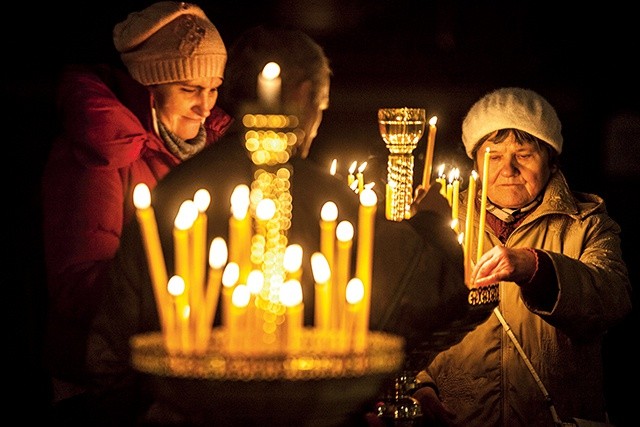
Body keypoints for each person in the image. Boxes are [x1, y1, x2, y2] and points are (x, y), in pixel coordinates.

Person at [85, 25, 482, 426]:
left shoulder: (173, 193)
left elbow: (109, 356)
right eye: (322, 106)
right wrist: (433, 221)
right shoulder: (325, 200)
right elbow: (434, 291)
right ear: (304, 95)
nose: (317, 124)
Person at [41, 0, 233, 416]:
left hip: (182, 371)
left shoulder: (217, 150)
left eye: (214, 87)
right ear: (149, 88)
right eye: (188, 89)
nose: (205, 105)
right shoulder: (98, 152)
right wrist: (183, 285)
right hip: (101, 382)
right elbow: (76, 283)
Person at [412, 87, 632, 426]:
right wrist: (419, 388)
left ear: (551, 159)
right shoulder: (439, 224)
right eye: (493, 156)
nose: (508, 168)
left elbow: (611, 299)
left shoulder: (586, 224)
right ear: (475, 162)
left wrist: (535, 268)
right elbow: (408, 316)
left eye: (524, 154)